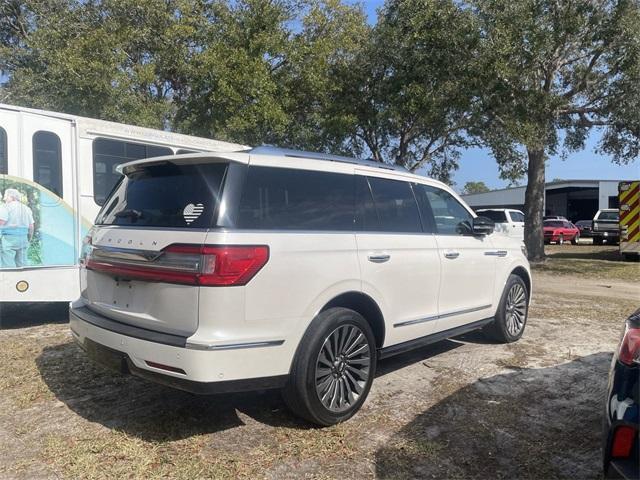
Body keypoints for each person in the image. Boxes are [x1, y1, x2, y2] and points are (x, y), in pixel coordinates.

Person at [0, 188, 35, 268]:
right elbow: (31, 226)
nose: (4, 198)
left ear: (11, 196)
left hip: (9, 239)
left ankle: (10, 280)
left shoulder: (5, 207)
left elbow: (1, 223)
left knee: (8, 265)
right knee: (23, 265)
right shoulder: (26, 208)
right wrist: (29, 239)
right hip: (23, 239)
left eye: (5, 196)